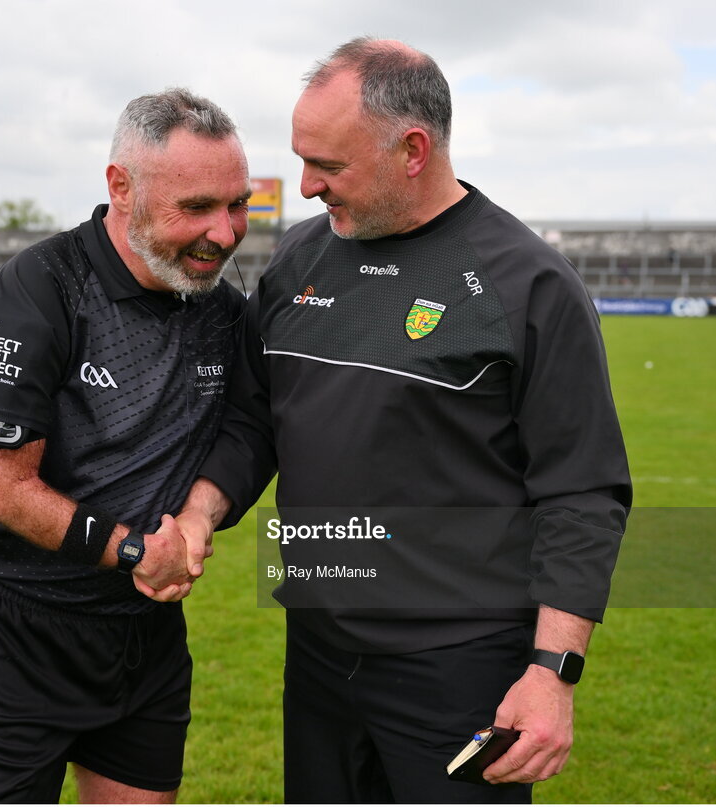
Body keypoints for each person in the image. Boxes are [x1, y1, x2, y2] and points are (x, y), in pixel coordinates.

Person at [176, 38, 632, 804]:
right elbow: (255, 420)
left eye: (328, 164)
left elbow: (582, 493)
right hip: (318, 655)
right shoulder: (297, 262)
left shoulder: (528, 284)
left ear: (412, 149)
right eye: (300, 158)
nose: (306, 184)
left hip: (459, 669)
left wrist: (553, 673)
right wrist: (200, 508)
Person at [0, 88, 251, 804]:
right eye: (197, 207)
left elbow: (247, 428)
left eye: (236, 205)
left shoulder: (224, 310)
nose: (225, 234)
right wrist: (138, 551)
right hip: (12, 632)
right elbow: (1, 487)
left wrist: (197, 520)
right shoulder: (41, 288)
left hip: (143, 633)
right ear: (121, 186)